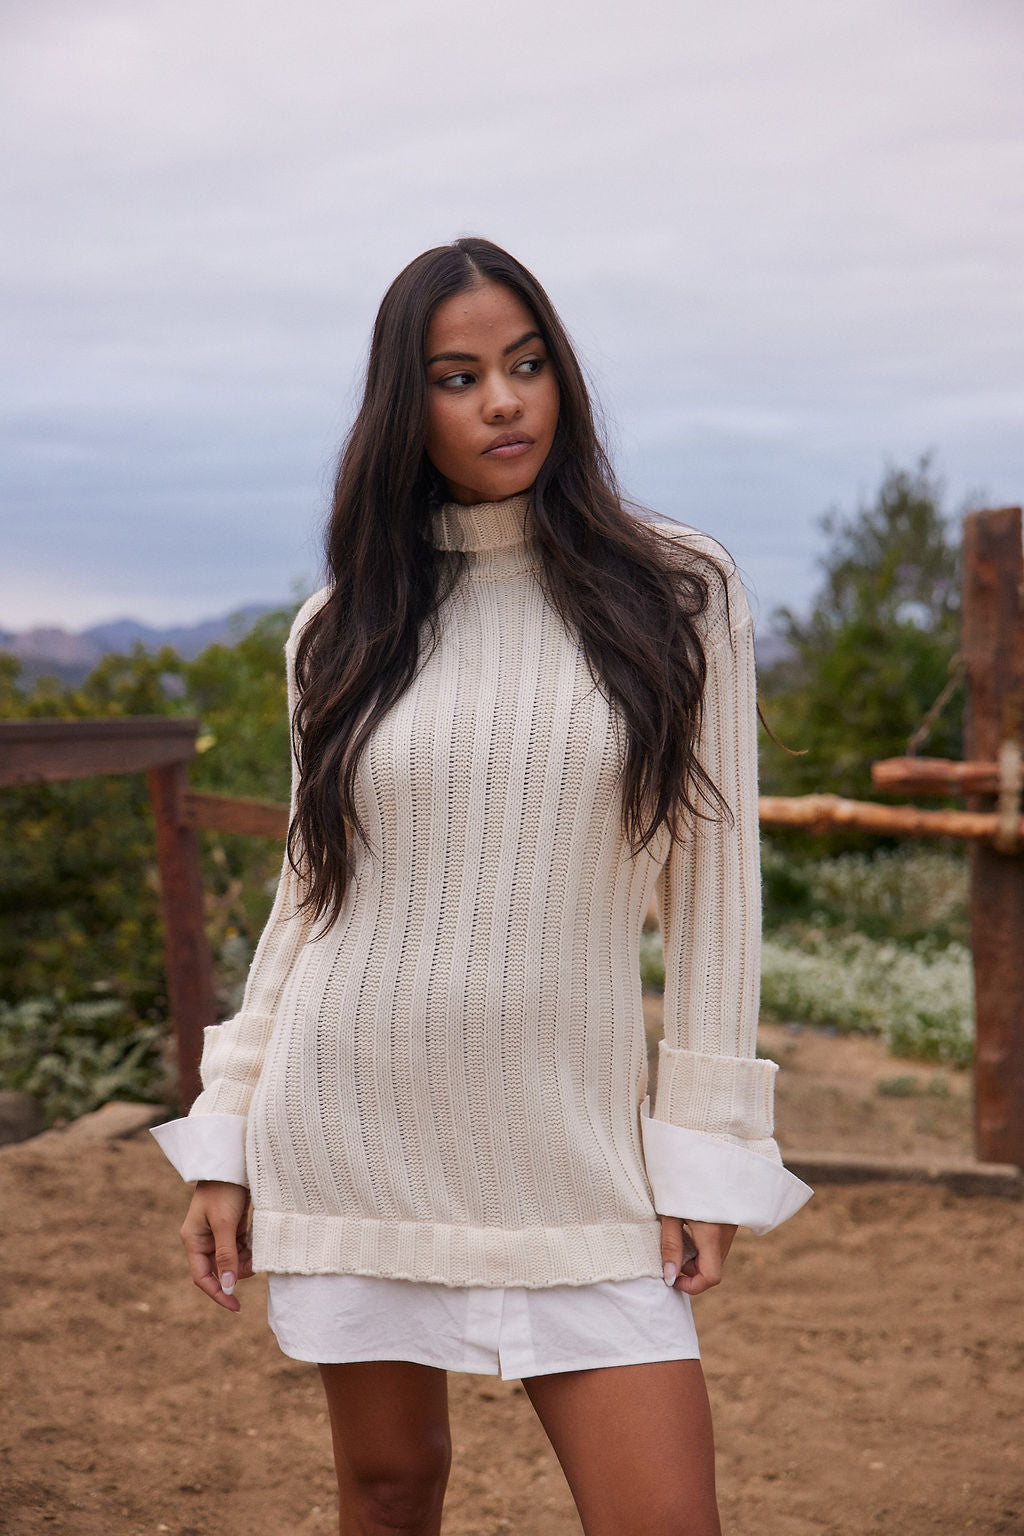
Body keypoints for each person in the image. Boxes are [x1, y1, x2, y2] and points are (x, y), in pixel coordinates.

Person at [152, 236, 812, 1536]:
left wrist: (706, 1152)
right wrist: (223, 1135)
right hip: (354, 1126)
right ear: (410, 408)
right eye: (459, 377)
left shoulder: (680, 593)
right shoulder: (341, 629)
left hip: (575, 1148)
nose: (503, 401)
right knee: (390, 1491)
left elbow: (715, 892)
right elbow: (310, 900)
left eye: (526, 365)